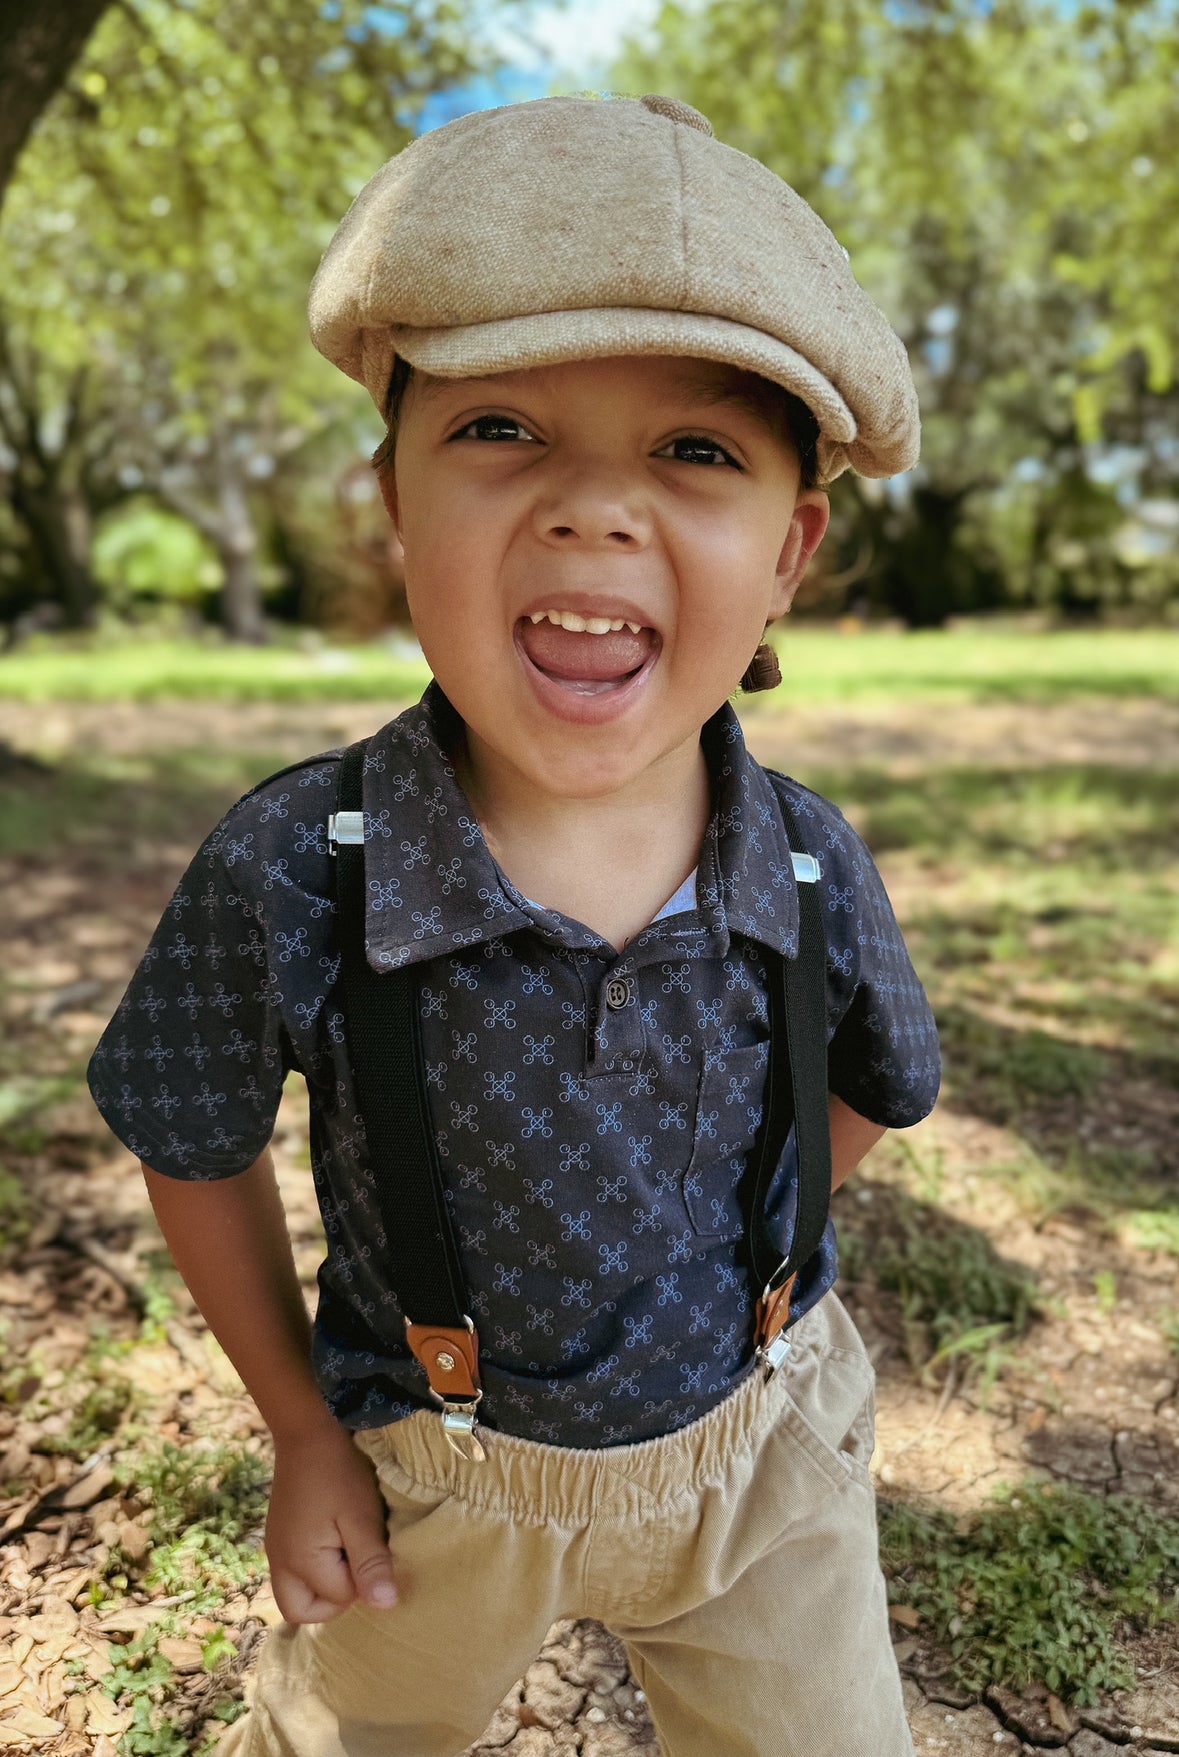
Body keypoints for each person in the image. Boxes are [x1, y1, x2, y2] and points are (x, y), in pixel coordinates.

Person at [87, 92, 940, 1757]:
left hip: (760, 1464)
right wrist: (301, 1430)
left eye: (696, 450)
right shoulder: (299, 862)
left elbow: (867, 1086)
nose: (592, 509)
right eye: (500, 430)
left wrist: (732, 1249)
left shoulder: (811, 865)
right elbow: (189, 1136)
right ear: (394, 498)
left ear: (790, 548)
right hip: (431, 1481)